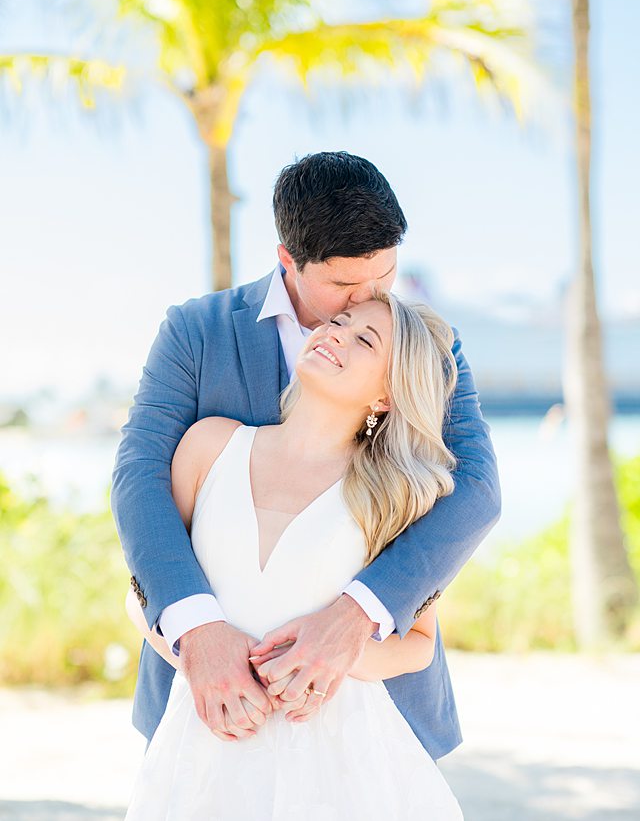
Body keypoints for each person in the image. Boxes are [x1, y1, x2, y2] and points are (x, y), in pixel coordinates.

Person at [111, 151, 500, 762]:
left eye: (385, 276)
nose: (371, 298)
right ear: (288, 259)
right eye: (346, 286)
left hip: (367, 714)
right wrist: (196, 631)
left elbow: (476, 490)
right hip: (211, 704)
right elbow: (140, 480)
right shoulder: (196, 331)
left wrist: (355, 617)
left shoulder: (421, 345)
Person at [115, 289, 486, 821]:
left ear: (387, 395)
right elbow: (144, 593)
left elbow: (417, 645)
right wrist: (202, 660)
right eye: (337, 321)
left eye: (364, 339)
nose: (334, 332)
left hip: (340, 764)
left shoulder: (396, 495)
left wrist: (331, 658)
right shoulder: (209, 446)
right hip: (204, 749)